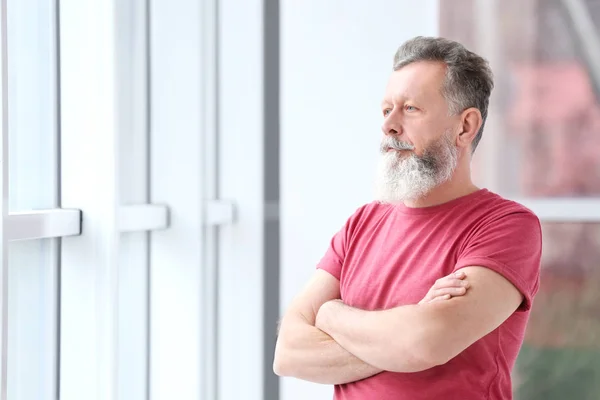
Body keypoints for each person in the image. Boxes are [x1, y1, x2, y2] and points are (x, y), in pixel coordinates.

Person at [273, 36, 542, 399]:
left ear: (465, 127)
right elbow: (289, 353)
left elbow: (424, 343)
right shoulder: (361, 224)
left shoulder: (506, 225)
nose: (390, 127)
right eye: (387, 110)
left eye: (410, 109)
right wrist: (404, 334)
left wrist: (332, 315)